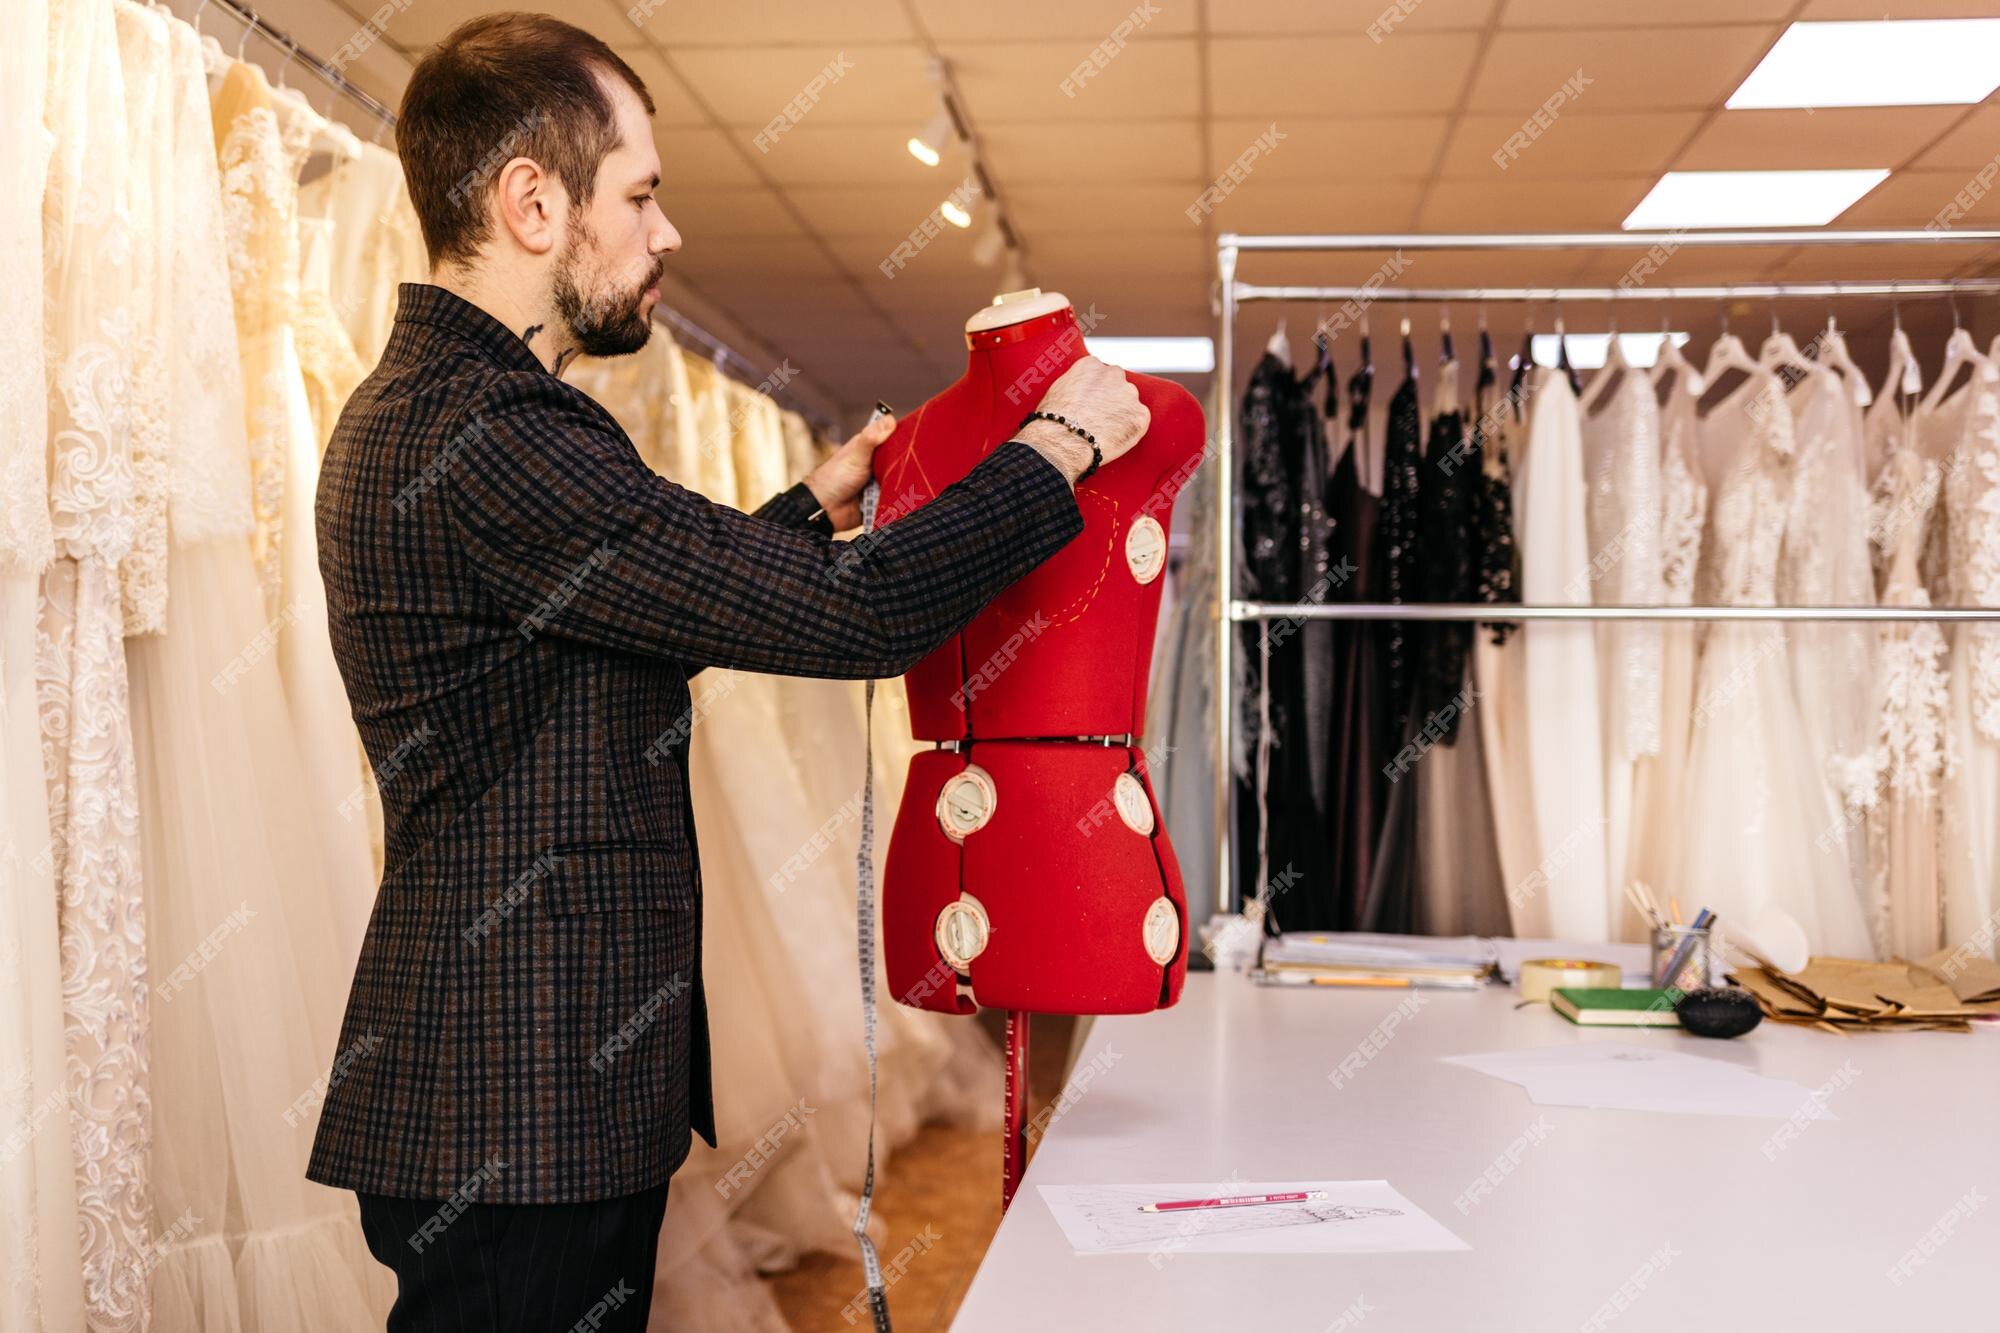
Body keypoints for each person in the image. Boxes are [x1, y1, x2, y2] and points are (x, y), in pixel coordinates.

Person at [304, 11, 1148, 1331]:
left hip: (512, 1093)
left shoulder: (438, 412)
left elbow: (625, 610)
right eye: (639, 195)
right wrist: (1053, 454)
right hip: (519, 1109)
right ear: (533, 203)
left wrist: (809, 504)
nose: (667, 233)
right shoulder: (502, 434)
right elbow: (858, 619)